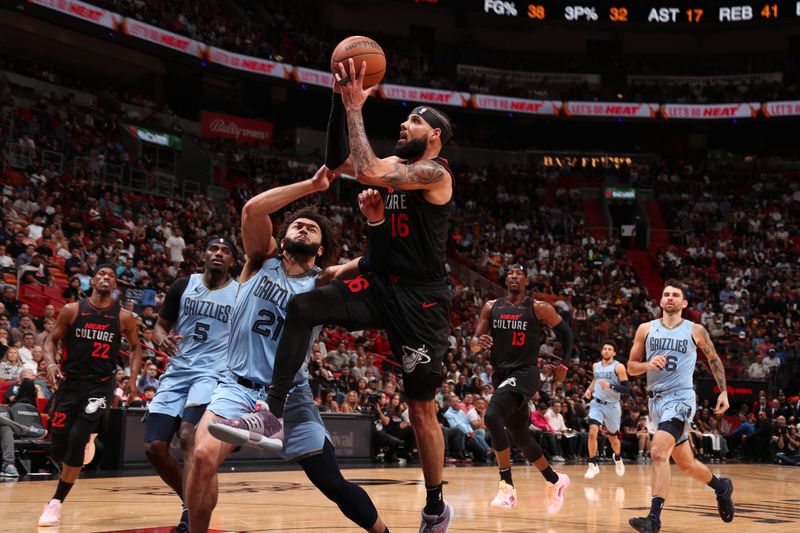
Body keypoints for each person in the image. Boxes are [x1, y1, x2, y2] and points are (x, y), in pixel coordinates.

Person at [224, 59, 458, 531]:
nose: (404, 123)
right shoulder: (395, 165)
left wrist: (356, 109)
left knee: (420, 408)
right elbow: (336, 161)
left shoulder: (434, 174)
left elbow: (366, 167)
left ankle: (435, 505)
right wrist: (338, 96)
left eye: (414, 120)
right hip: (377, 283)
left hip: (421, 301)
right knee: (302, 304)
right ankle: (270, 413)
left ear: (433, 136)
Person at [185, 167, 391, 533]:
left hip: (290, 397)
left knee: (333, 484)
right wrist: (313, 186)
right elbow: (252, 210)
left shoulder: (323, 280)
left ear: (321, 248)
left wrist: (377, 222)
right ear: (282, 241)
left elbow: (375, 262)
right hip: (237, 386)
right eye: (297, 225)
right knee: (202, 457)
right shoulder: (259, 262)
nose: (303, 228)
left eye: (311, 228)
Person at [143, 237, 238, 532]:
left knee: (189, 437)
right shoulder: (182, 286)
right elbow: (159, 327)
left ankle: (192, 519)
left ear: (233, 262)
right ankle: (189, 502)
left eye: (225, 251)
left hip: (214, 373)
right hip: (178, 371)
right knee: (154, 448)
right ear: (203, 255)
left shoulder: (240, 293)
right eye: (213, 249)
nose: (218, 254)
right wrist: (162, 339)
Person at [627, 280, 734, 533]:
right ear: (660, 301)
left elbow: (714, 359)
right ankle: (722, 487)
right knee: (687, 464)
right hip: (656, 401)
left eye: (675, 295)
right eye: (666, 294)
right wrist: (647, 365)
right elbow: (631, 367)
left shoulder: (695, 330)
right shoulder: (646, 329)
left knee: (658, 452)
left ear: (684, 303)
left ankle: (653, 519)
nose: (670, 298)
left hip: (681, 398)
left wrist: (724, 392)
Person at [39, 265, 142, 527]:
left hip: (101, 385)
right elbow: (51, 340)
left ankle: (56, 502)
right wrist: (50, 363)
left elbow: (135, 348)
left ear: (115, 284)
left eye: (112, 275)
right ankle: (86, 435)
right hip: (71, 384)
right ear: (92, 280)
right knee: (58, 447)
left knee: (77, 437)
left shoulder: (124, 317)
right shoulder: (73, 310)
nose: (106, 277)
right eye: (102, 274)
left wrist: (131, 378)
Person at [470, 264, 573, 512]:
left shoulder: (539, 308)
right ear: (506, 279)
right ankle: (555, 480)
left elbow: (567, 334)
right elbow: (473, 343)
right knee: (520, 435)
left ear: (526, 280)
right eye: (511, 273)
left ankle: (506, 486)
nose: (514, 276)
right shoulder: (491, 307)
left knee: (493, 416)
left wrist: (565, 365)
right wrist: (477, 344)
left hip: (526, 373)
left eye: (520, 273)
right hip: (501, 374)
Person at [583, 340, 629, 479]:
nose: (607, 351)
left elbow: (626, 388)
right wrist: (589, 389)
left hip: (612, 406)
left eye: (610, 349)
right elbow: (595, 380)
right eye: (605, 349)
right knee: (592, 432)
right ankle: (592, 464)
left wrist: (610, 386)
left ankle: (618, 458)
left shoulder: (619, 367)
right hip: (597, 403)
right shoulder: (596, 366)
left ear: (614, 353)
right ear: (602, 351)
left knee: (613, 438)